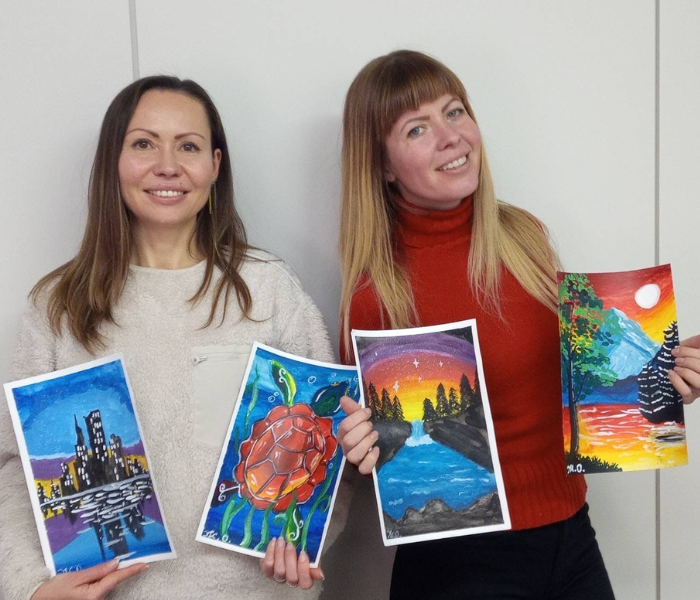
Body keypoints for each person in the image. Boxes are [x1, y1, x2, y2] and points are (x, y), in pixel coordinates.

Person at [335, 50, 700, 599]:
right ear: (382, 165)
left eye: (454, 111)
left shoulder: (524, 236)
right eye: (417, 128)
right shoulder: (376, 292)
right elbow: (374, 456)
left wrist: (667, 374)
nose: (451, 137)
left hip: (571, 534)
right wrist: (361, 447)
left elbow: (579, 382)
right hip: (457, 562)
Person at [0, 76, 339, 600]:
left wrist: (305, 545)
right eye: (143, 144)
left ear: (215, 165)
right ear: (113, 162)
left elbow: (334, 447)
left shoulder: (269, 289)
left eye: (188, 146)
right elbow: (15, 469)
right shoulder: (59, 306)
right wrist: (30, 588)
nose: (167, 165)